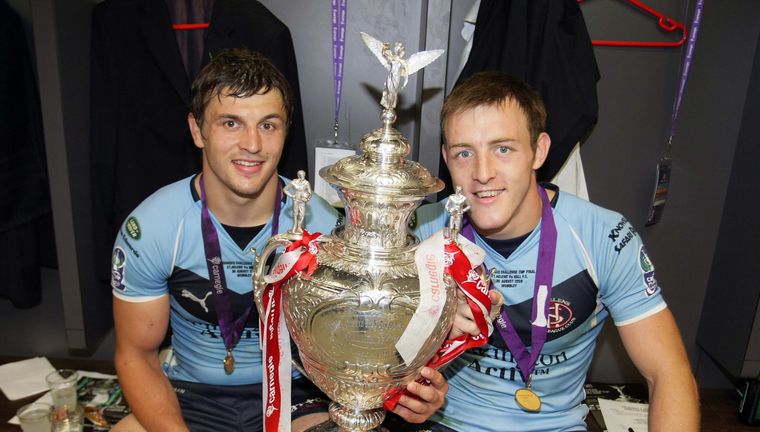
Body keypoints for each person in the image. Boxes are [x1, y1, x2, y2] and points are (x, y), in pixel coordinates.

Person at [110, 48, 447, 432]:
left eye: (269, 125)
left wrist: (404, 386)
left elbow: (363, 336)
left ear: (286, 130)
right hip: (191, 396)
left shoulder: (323, 223)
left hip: (297, 394)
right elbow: (135, 355)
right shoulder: (154, 226)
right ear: (197, 129)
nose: (252, 144)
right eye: (231, 123)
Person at [411, 71, 699, 431]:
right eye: (464, 153)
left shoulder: (602, 236)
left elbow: (667, 372)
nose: (482, 173)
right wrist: (426, 327)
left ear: (538, 150)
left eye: (503, 148)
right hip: (446, 423)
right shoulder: (422, 231)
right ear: (447, 158)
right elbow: (370, 362)